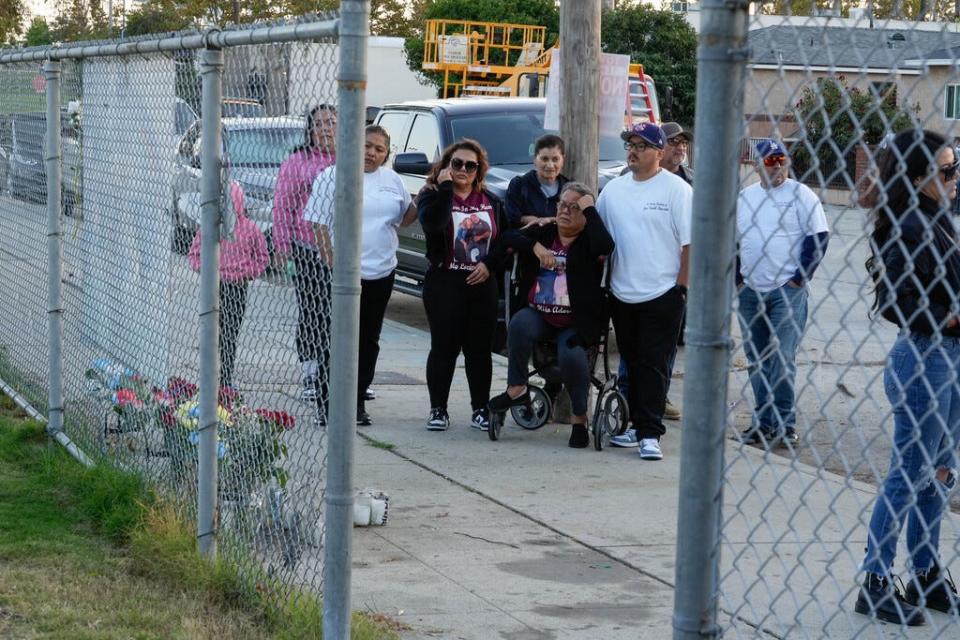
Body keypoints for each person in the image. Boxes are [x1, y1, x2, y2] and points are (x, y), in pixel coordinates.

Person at [854, 129, 960, 626]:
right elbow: (897, 302)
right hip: (926, 359)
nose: (954, 178)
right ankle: (875, 581)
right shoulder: (906, 225)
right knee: (910, 473)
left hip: (950, 359)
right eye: (945, 171)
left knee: (940, 473)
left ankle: (924, 572)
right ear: (917, 178)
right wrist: (949, 317)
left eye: (955, 167)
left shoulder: (939, 220)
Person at [303, 125, 417, 426]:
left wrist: (427, 194)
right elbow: (319, 224)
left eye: (379, 149)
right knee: (337, 338)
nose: (372, 153)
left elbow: (406, 217)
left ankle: (356, 401)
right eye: (367, 146)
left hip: (381, 271)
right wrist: (331, 261)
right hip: (342, 275)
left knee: (369, 340)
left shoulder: (392, 180)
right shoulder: (333, 176)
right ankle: (327, 402)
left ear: (386, 154)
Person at [488, 182, 614, 448]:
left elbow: (606, 245)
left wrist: (591, 211)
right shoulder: (544, 232)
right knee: (520, 324)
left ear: (586, 213)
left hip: (575, 323)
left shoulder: (590, 241)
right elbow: (506, 238)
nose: (565, 211)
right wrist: (535, 247)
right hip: (541, 316)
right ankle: (517, 388)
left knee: (571, 354)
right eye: (562, 204)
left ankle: (580, 418)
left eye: (574, 207)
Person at [598, 122, 691, 461]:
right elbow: (596, 233)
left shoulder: (676, 190)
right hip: (622, 294)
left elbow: (690, 244)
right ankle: (636, 427)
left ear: (659, 151)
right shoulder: (614, 191)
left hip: (663, 294)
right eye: (629, 145)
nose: (632, 151)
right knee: (632, 363)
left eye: (640, 145)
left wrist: (680, 289)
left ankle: (651, 434)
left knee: (653, 365)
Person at [736, 139, 829, 447]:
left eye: (781, 159)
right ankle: (763, 423)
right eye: (769, 160)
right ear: (756, 164)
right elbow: (733, 240)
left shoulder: (802, 195)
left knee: (782, 358)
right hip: (751, 289)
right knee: (757, 358)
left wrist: (799, 279)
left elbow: (819, 237)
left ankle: (785, 423)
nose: (776, 165)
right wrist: (738, 278)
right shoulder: (746, 197)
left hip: (785, 292)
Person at [417, 139, 507, 432]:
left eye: (471, 165)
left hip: (482, 283)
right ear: (446, 166)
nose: (464, 170)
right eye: (457, 164)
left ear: (479, 169)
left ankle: (480, 408)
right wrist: (444, 189)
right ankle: (438, 409)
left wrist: (489, 265)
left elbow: (504, 241)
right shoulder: (432, 196)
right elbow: (433, 225)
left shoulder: (491, 201)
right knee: (444, 348)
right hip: (445, 283)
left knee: (479, 351)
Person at [271, 104, 337, 405]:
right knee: (313, 310)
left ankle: (343, 373)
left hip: (345, 250)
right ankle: (311, 372)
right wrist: (282, 248)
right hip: (308, 248)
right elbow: (282, 206)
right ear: (310, 129)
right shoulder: (298, 162)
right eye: (320, 123)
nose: (326, 128)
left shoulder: (351, 160)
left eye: (333, 122)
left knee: (343, 312)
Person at [188, 181, 269, 389]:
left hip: (236, 285)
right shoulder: (209, 227)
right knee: (212, 331)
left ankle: (226, 377)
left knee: (230, 333)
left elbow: (262, 258)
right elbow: (194, 255)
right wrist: (205, 270)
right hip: (213, 286)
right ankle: (210, 373)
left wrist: (247, 272)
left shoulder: (250, 229)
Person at [505, 134, 570, 227]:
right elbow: (511, 217)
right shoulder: (519, 185)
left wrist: (546, 220)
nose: (550, 165)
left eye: (555, 159)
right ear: (535, 159)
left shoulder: (569, 188)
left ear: (563, 159)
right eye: (545, 159)